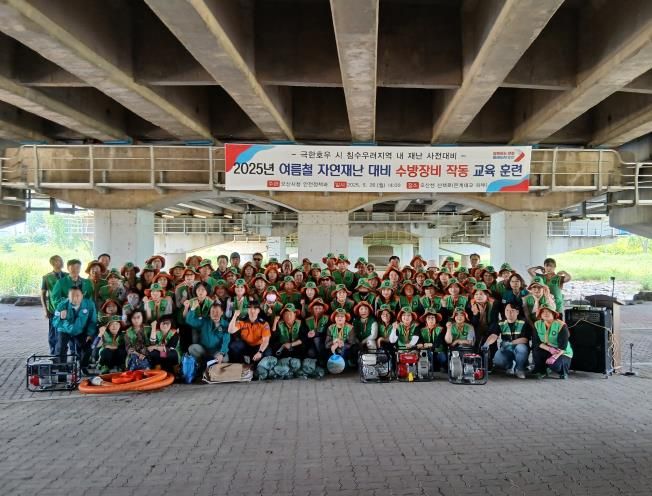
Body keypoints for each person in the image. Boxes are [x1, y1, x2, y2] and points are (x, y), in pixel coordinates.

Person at [52, 286, 97, 372]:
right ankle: (62, 370)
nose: (75, 298)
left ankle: (83, 367)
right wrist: (60, 317)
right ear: (68, 296)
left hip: (80, 329)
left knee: (88, 346)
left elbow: (93, 320)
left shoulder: (89, 304)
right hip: (64, 329)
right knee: (60, 347)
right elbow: (54, 322)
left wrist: (90, 333)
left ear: (82, 295)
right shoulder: (62, 305)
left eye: (78, 295)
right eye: (72, 296)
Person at [484, 303, 532, 379]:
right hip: (506, 349)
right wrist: (486, 344)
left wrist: (510, 343)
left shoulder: (523, 322)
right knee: (498, 359)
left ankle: (519, 369)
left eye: (512, 310)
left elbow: (525, 339)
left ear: (517, 312)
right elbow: (494, 335)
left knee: (521, 348)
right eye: (507, 310)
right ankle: (509, 366)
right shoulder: (500, 323)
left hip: (518, 347)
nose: (509, 313)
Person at [533, 303, 573, 379]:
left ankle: (563, 372)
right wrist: (549, 349)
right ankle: (542, 371)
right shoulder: (537, 324)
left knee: (555, 365)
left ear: (553, 314)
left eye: (548, 311)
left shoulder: (561, 325)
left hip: (562, 352)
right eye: (543, 312)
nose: (545, 313)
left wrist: (554, 357)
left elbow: (563, 346)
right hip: (548, 349)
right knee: (536, 351)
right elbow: (536, 342)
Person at [228, 299, 273, 363]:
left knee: (268, 352)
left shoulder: (264, 323)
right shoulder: (242, 321)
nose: (252, 310)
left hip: (258, 346)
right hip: (246, 345)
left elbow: (266, 341)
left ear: (258, 311)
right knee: (234, 346)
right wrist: (234, 316)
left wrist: (260, 352)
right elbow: (230, 330)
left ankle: (257, 366)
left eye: (255, 308)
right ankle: (240, 363)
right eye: (250, 308)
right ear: (247, 310)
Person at [186, 302, 230, 366]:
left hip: (216, 351)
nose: (215, 314)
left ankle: (214, 365)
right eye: (212, 312)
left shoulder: (226, 324)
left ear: (222, 313)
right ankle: (200, 364)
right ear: (209, 314)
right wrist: (193, 308)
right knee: (192, 348)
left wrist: (221, 353)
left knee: (225, 359)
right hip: (204, 350)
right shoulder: (204, 321)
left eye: (217, 312)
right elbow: (189, 320)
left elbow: (226, 341)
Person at [41, 255, 67, 354]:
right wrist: (45, 310)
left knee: (66, 332)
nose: (61, 262)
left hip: (67, 309)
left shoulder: (67, 275)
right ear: (53, 263)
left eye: (61, 260)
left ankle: (65, 354)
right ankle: (53, 354)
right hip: (53, 309)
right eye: (58, 261)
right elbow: (43, 294)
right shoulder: (47, 277)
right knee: (53, 333)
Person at [417, 308, 447, 372]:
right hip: (427, 351)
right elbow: (420, 341)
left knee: (443, 357)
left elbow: (440, 341)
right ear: (425, 320)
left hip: (438, 351)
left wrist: (431, 344)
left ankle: (443, 367)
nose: (431, 320)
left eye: (433, 318)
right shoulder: (422, 330)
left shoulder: (441, 329)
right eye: (428, 318)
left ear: (436, 319)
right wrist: (421, 344)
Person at [303, 298, 329, 363]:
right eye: (316, 308)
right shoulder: (308, 320)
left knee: (317, 339)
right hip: (312, 342)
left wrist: (316, 333)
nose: (318, 310)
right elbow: (304, 332)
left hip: (323, 341)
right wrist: (308, 334)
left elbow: (328, 332)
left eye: (320, 308)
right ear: (312, 310)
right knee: (311, 353)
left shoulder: (327, 318)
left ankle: (322, 359)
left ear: (323, 310)